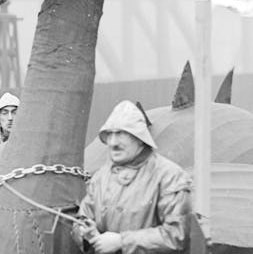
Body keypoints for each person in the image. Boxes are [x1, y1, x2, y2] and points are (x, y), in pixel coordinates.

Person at [71, 100, 191, 254]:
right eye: (110, 134)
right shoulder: (100, 178)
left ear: (140, 139)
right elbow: (82, 219)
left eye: (122, 133)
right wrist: (86, 234)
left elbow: (176, 235)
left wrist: (122, 241)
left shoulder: (170, 176)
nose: (113, 142)